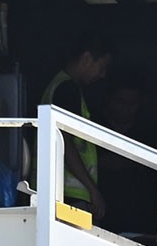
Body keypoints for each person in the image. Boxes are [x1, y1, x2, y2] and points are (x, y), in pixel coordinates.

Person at [41, 37, 116, 217]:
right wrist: (93, 191)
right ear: (87, 58)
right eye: (102, 67)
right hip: (69, 197)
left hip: (55, 191)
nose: (103, 75)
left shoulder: (57, 85)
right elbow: (65, 143)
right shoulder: (67, 89)